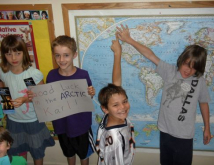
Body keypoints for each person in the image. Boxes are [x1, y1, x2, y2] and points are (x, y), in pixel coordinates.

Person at [116, 24, 211, 165]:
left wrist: (207, 128)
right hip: (165, 132)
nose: (188, 70)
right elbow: (150, 55)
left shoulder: (199, 81)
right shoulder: (170, 72)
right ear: (181, 60)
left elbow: (204, 103)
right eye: (186, 64)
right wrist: (129, 40)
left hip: (185, 137)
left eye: (193, 68)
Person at [0, 35, 55, 165]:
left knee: (37, 151)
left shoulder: (31, 74)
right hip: (13, 121)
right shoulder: (4, 72)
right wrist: (7, 106)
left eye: (18, 53)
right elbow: (3, 85)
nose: (13, 58)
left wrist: (25, 100)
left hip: (32, 120)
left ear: (24, 53)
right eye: (8, 54)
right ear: (3, 55)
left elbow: (39, 96)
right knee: (17, 150)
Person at [46, 35, 96, 165]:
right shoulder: (51, 75)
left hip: (81, 125)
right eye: (57, 55)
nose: (61, 60)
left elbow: (88, 96)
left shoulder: (83, 75)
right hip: (62, 125)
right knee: (69, 153)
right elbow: (50, 100)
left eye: (66, 55)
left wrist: (91, 93)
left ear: (74, 55)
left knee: (84, 154)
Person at [96, 34, 135, 165]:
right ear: (105, 109)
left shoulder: (112, 116)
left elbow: (116, 83)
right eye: (116, 105)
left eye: (124, 101)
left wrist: (118, 53)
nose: (123, 107)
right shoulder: (115, 139)